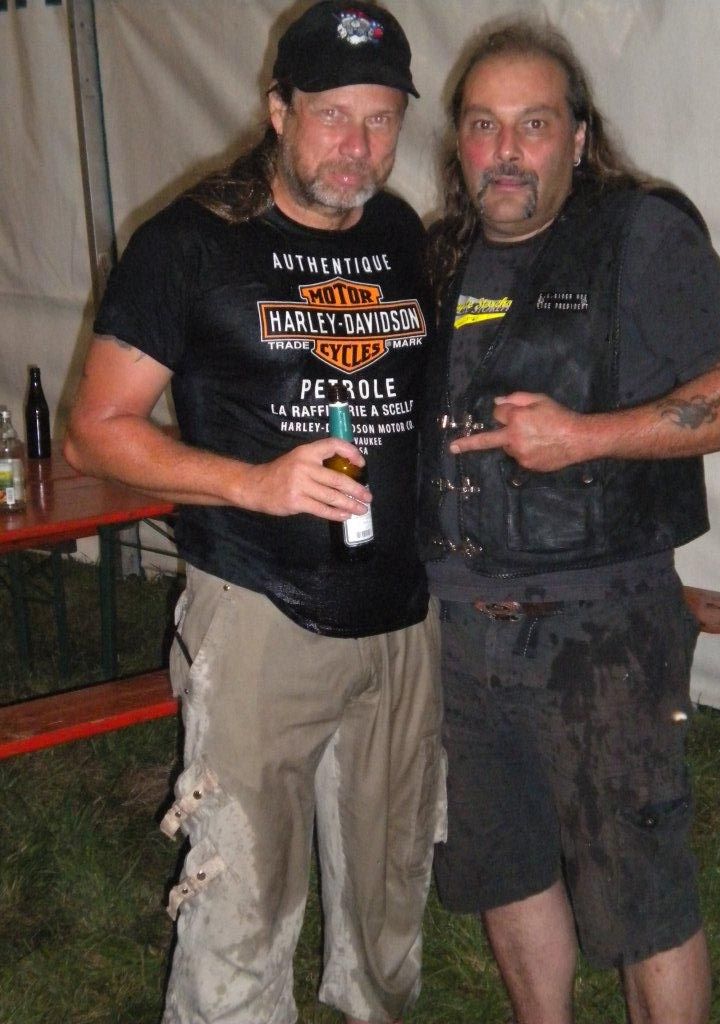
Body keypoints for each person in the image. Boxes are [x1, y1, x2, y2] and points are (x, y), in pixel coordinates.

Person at [63, 4, 444, 1023]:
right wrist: (255, 483)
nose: (357, 144)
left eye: (380, 118)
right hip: (260, 607)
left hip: (401, 613)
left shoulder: (401, 234)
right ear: (278, 110)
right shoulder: (191, 242)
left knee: (390, 885)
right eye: (332, 114)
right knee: (244, 894)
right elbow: (95, 431)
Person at [417, 18, 720, 1024]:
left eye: (533, 123)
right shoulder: (439, 258)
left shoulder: (639, 235)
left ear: (577, 137)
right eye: (483, 124)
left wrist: (586, 437)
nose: (506, 149)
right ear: (459, 142)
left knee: (640, 897)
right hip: (459, 626)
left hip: (601, 630)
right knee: (507, 867)